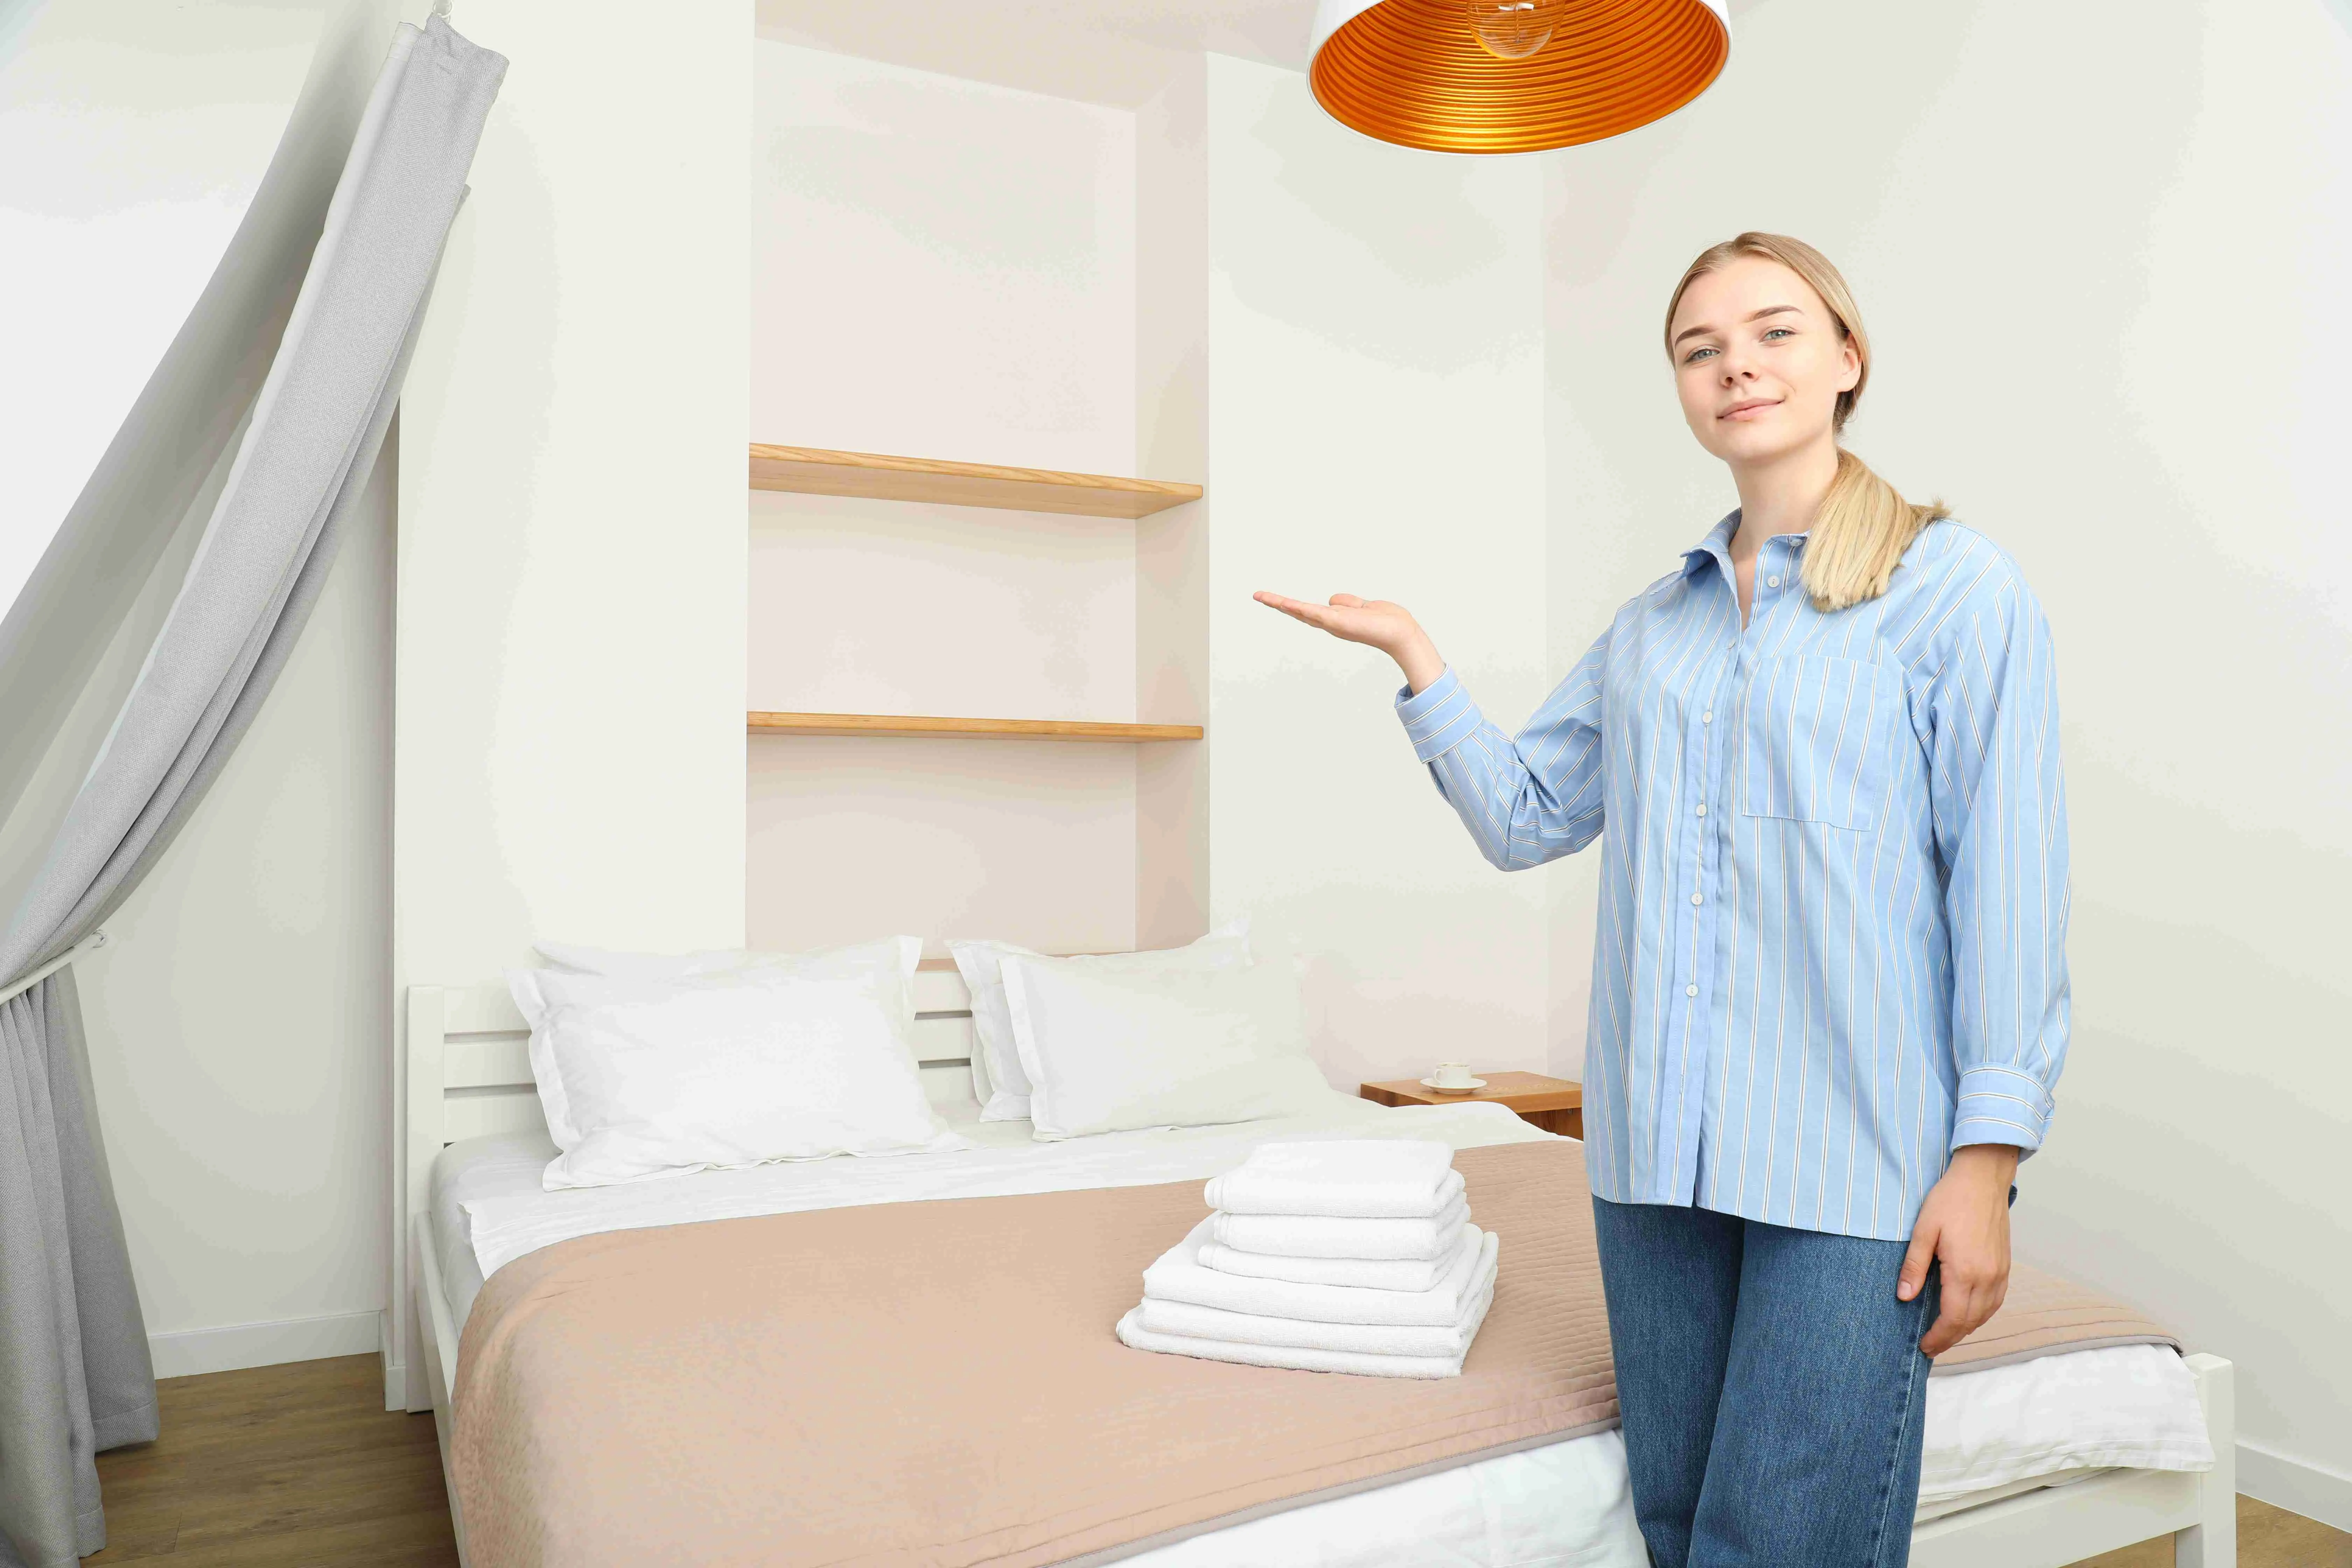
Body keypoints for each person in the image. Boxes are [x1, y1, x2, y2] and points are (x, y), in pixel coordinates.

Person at [1256, 231, 2068, 1568]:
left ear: (1848, 357)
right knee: (1683, 1529)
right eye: (1702, 348)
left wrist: (1986, 1165)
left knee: (1782, 1543)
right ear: (1683, 392)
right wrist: (1416, 656)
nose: (1736, 364)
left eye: (1774, 331)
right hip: (1653, 1159)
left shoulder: (1955, 591)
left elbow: (2012, 888)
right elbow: (1528, 821)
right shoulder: (1654, 631)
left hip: (1854, 1163)